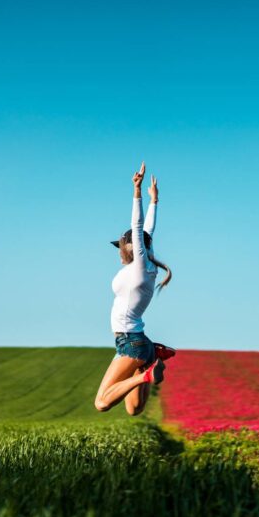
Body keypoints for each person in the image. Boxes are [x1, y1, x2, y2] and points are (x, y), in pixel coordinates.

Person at [94, 161, 175, 415]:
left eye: (120, 246)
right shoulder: (147, 267)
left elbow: (139, 229)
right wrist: (155, 201)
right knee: (134, 408)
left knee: (102, 402)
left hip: (131, 341)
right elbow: (148, 231)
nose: (118, 251)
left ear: (130, 248)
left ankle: (145, 374)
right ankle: (150, 363)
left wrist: (137, 192)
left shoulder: (140, 266)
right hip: (137, 342)